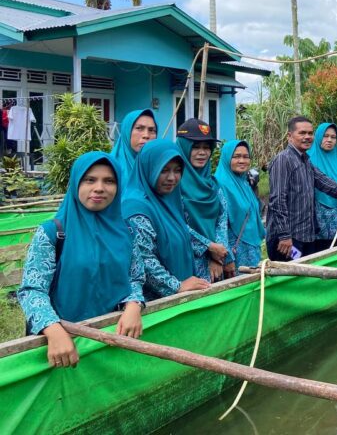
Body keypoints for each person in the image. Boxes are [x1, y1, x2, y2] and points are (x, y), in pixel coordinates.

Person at [18, 152, 145, 368]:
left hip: (110, 339)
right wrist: (53, 329)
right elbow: (32, 290)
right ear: (76, 183)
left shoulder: (127, 231)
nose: (99, 188)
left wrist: (134, 305)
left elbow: (135, 277)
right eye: (90, 180)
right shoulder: (53, 232)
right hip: (63, 345)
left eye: (109, 181)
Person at [266, 116, 337, 260]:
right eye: (302, 133)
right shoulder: (284, 160)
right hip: (288, 240)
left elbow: (326, 183)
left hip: (305, 235)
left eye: (310, 133)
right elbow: (277, 200)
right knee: (289, 276)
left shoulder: (305, 161)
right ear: (290, 136)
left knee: (305, 275)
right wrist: (284, 235)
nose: (307, 137)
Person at [123, 139, 211, 300]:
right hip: (152, 308)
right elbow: (144, 259)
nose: (172, 177)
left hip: (179, 299)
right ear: (148, 168)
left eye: (177, 170)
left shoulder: (169, 201)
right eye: (164, 170)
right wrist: (177, 286)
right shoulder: (135, 207)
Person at [175, 118, 233, 281]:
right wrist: (208, 247)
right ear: (184, 147)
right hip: (186, 264)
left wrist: (219, 254)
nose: (202, 153)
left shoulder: (213, 184)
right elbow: (174, 222)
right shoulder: (172, 184)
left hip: (216, 264)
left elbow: (222, 219)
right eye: (196, 147)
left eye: (207, 147)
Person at [215, 140, 267, 272]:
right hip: (234, 253)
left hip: (251, 248)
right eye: (236, 156)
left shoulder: (244, 183)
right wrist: (227, 258)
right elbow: (219, 226)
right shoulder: (220, 184)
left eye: (245, 156)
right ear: (227, 158)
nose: (242, 160)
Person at [109, 109, 158, 185]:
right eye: (139, 128)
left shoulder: (160, 167)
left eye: (152, 130)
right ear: (127, 131)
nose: (146, 135)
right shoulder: (110, 168)